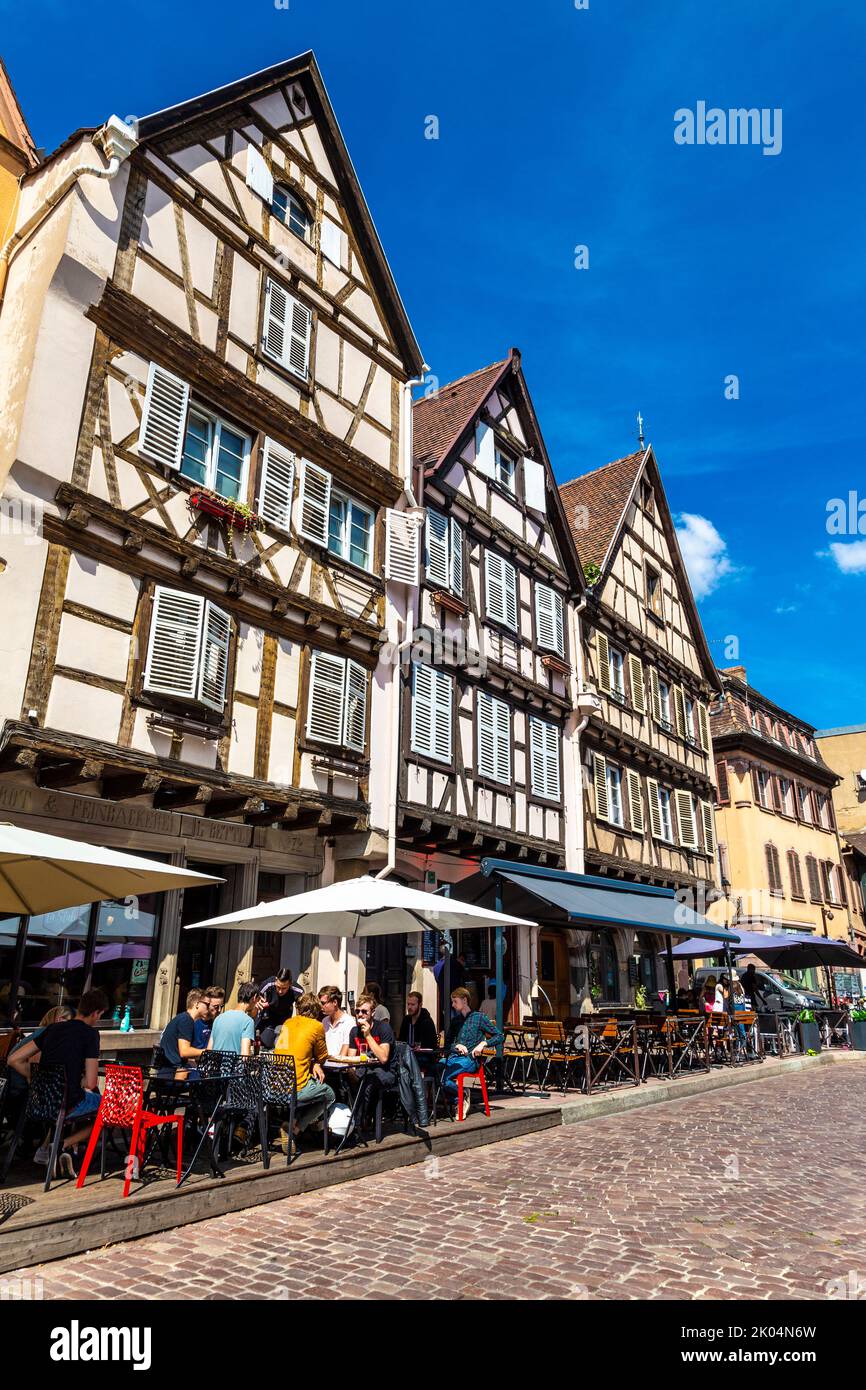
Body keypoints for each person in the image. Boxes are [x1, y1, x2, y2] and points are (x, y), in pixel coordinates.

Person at [8, 988, 108, 1176]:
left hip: (39, 1103)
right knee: (109, 1108)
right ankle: (64, 1145)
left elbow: (13, 1059)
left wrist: (38, 1077)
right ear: (97, 1013)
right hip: (67, 1104)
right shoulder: (90, 1034)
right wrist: (80, 1079)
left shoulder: (52, 1029)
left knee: (82, 1099)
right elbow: (92, 1083)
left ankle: (61, 1149)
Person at [274, 992, 335, 1149]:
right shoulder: (316, 1026)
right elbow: (323, 1056)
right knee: (329, 1095)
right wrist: (316, 1062)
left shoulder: (287, 1023)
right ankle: (295, 1129)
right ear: (316, 1010)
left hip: (275, 1087)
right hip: (295, 1089)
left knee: (312, 1090)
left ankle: (291, 1123)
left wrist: (312, 1062)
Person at [437, 986, 503, 1107]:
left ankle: (460, 1098)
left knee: (444, 1079)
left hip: (470, 1060)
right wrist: (457, 1045)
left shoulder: (479, 1018)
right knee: (435, 1072)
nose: (452, 1005)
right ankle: (460, 1096)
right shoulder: (455, 1021)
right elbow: (447, 1045)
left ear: (465, 1000)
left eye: (455, 1001)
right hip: (453, 1058)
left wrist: (483, 1043)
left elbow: (499, 1036)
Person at [341, 992, 397, 1123]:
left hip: (386, 1070)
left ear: (373, 1013)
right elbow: (352, 1058)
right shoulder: (354, 1031)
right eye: (357, 1011)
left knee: (367, 1082)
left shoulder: (383, 1028)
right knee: (343, 1082)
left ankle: (360, 1122)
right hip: (364, 1069)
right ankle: (348, 1121)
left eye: (364, 1011)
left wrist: (367, 1036)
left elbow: (383, 1058)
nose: (360, 1015)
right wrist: (350, 1072)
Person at [159, 988, 210, 1077]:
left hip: (168, 1071)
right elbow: (184, 1052)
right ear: (197, 1004)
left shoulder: (182, 1018)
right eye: (207, 1004)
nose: (209, 1008)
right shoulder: (186, 1020)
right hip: (172, 1074)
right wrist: (207, 1052)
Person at [208, 982, 259, 1056]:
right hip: (234, 1067)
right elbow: (245, 1055)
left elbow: (209, 1050)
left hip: (216, 1066)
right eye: (258, 999)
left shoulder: (218, 1018)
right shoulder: (248, 1021)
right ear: (254, 998)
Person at [257, 969, 303, 1049]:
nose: (280, 991)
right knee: (265, 1043)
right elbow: (255, 996)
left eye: (284, 988)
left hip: (285, 1018)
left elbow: (303, 1007)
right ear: (275, 980)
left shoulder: (297, 990)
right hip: (268, 1017)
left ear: (290, 984)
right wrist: (258, 1002)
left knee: (282, 1047)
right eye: (278, 987)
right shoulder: (268, 984)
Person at [318, 985, 354, 1057]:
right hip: (324, 1063)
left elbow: (345, 1048)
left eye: (323, 1003)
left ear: (335, 1002)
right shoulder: (324, 1021)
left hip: (339, 1065)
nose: (321, 1006)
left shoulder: (349, 1022)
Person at [194, 985, 225, 1050]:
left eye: (221, 1007)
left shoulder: (219, 1024)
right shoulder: (194, 1022)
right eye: (216, 1007)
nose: (219, 1010)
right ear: (207, 1004)